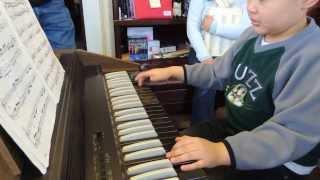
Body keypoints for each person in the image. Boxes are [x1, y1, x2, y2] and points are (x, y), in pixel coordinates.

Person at [135, 0, 320, 179]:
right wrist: (175, 72)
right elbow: (217, 72)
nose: (251, 7)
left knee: (186, 169)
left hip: (282, 160)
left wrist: (219, 151)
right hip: (236, 130)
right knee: (168, 150)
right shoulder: (251, 35)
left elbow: (289, 134)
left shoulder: (312, 56)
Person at [187, 0, 250, 124]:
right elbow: (192, 28)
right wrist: (205, 57)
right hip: (204, 54)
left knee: (238, 94)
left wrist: (214, 28)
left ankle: (234, 132)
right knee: (204, 93)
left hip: (233, 55)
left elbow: (247, 31)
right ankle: (201, 131)